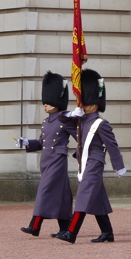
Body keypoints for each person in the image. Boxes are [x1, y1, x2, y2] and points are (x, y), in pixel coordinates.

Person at [56, 69, 126, 244]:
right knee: (97, 198)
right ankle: (107, 232)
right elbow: (61, 119)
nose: (83, 105)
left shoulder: (101, 123)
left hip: (94, 162)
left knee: (84, 196)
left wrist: (119, 166)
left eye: (86, 102)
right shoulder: (81, 120)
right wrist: (71, 114)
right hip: (83, 162)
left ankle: (71, 232)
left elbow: (112, 145)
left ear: (94, 103)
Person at [17, 72, 77, 238]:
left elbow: (81, 138)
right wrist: (26, 142)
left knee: (45, 191)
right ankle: (65, 227)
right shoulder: (46, 122)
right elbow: (41, 142)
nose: (45, 104)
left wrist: (81, 153)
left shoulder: (65, 119)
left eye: (48, 101)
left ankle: (35, 226)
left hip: (57, 159)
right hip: (46, 160)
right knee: (62, 194)